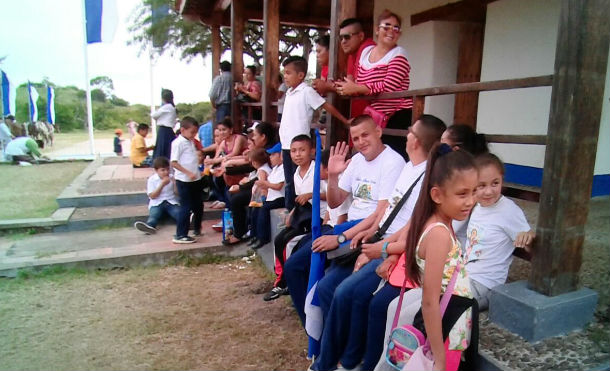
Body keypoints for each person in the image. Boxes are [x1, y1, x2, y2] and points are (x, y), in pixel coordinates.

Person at [309, 114, 446, 371]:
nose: (406, 135)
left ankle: (341, 362)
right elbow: (384, 213)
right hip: (380, 238)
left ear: (415, 141)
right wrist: (365, 236)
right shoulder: (410, 166)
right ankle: (334, 355)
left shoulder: (425, 176)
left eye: (410, 132)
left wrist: (382, 251)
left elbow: (414, 227)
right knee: (331, 287)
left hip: (392, 247)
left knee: (349, 293)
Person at [284, 115, 404, 325]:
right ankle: (313, 326)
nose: (360, 142)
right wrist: (332, 176)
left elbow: (380, 213)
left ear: (378, 131)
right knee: (295, 264)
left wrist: (341, 237)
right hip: (347, 225)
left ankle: (323, 331)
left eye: (365, 135)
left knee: (327, 282)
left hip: (368, 229)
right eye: (355, 138)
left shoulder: (393, 162)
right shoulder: (357, 160)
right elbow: (334, 201)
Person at [400, 143, 480, 371]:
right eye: (462, 194)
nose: (470, 201)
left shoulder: (442, 223)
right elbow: (429, 301)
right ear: (437, 194)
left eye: (474, 191)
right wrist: (440, 358)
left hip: (453, 318)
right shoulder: (439, 234)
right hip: (446, 328)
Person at [454, 153, 534, 310]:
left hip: (486, 285)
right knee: (424, 293)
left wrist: (528, 237)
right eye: (481, 185)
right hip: (465, 275)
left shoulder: (509, 211)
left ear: (502, 179)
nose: (489, 191)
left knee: (442, 306)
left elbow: (530, 241)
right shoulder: (477, 206)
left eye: (495, 183)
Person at [335, 10, 413, 161]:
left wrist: (357, 88)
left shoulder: (399, 54)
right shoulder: (366, 53)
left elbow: (389, 85)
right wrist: (349, 87)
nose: (391, 31)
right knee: (371, 159)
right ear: (377, 29)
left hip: (396, 117)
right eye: (387, 26)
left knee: (393, 159)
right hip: (375, 117)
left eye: (396, 28)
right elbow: (361, 82)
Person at [279, 55, 350, 211]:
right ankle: (291, 211)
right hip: (286, 145)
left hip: (299, 145)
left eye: (288, 73)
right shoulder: (290, 93)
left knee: (299, 178)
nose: (285, 76)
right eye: (284, 73)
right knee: (290, 180)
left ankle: (297, 210)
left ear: (301, 75)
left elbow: (325, 106)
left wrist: (344, 121)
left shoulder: (306, 91)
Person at [265, 135, 328, 301]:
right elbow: (298, 200)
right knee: (279, 239)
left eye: (302, 150)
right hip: (302, 215)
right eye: (293, 151)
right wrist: (291, 214)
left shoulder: (318, 169)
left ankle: (288, 282)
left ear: (312, 151)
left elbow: (331, 195)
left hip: (318, 217)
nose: (297, 154)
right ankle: (280, 280)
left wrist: (311, 195)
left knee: (290, 243)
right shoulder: (296, 173)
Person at [312, 18, 376, 117]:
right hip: (363, 116)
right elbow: (349, 85)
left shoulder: (368, 50)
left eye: (347, 37)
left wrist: (328, 86)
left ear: (361, 36)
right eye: (341, 38)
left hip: (375, 117)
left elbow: (355, 88)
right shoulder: (351, 55)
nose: (343, 41)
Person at [223, 147, 272, 245]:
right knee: (234, 196)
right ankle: (243, 231)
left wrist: (241, 187)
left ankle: (239, 234)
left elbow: (259, 182)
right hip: (256, 192)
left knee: (236, 200)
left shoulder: (262, 170)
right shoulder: (260, 168)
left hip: (260, 194)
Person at [170, 116, 203, 244]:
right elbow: (174, 162)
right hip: (184, 180)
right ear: (183, 130)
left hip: (195, 179)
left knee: (198, 205)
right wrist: (188, 172)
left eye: (195, 132)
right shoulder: (177, 143)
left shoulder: (190, 141)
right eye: (192, 132)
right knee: (186, 206)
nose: (194, 135)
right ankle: (180, 234)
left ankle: (197, 227)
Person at [249, 142, 285, 250]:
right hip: (271, 197)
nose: (270, 157)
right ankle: (254, 235)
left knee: (263, 209)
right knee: (255, 209)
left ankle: (263, 237)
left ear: (281, 155)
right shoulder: (275, 169)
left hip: (279, 198)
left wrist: (265, 184)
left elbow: (278, 186)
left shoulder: (283, 169)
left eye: (273, 155)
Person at [134, 156, 180, 234]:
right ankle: (150, 227)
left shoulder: (172, 178)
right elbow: (152, 196)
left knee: (178, 213)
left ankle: (187, 222)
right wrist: (162, 184)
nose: (166, 172)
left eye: (168, 169)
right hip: (157, 202)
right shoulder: (152, 180)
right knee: (154, 215)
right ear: (156, 170)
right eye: (163, 170)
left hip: (171, 201)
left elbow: (177, 193)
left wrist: (175, 183)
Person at [152, 89, 177, 160]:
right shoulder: (172, 107)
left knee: (162, 150)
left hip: (164, 130)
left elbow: (154, 115)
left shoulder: (167, 106)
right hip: (168, 130)